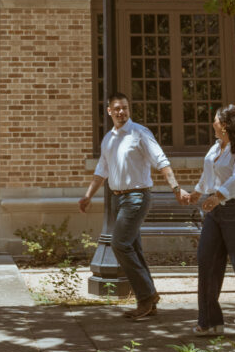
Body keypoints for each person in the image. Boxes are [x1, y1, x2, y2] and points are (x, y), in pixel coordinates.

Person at [79, 91, 189, 320]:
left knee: (119, 244)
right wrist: (88, 196)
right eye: (117, 108)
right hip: (118, 199)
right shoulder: (109, 139)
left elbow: (161, 161)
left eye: (125, 108)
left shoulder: (139, 133)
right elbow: (102, 170)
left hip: (137, 197)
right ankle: (149, 300)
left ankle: (146, 296)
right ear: (109, 111)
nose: (121, 112)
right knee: (133, 248)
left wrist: (176, 188)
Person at [188, 104, 235, 337]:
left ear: (225, 124)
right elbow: (208, 175)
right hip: (215, 213)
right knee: (207, 260)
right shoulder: (216, 148)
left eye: (215, 120)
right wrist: (197, 193)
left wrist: (218, 196)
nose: (212, 123)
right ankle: (210, 321)